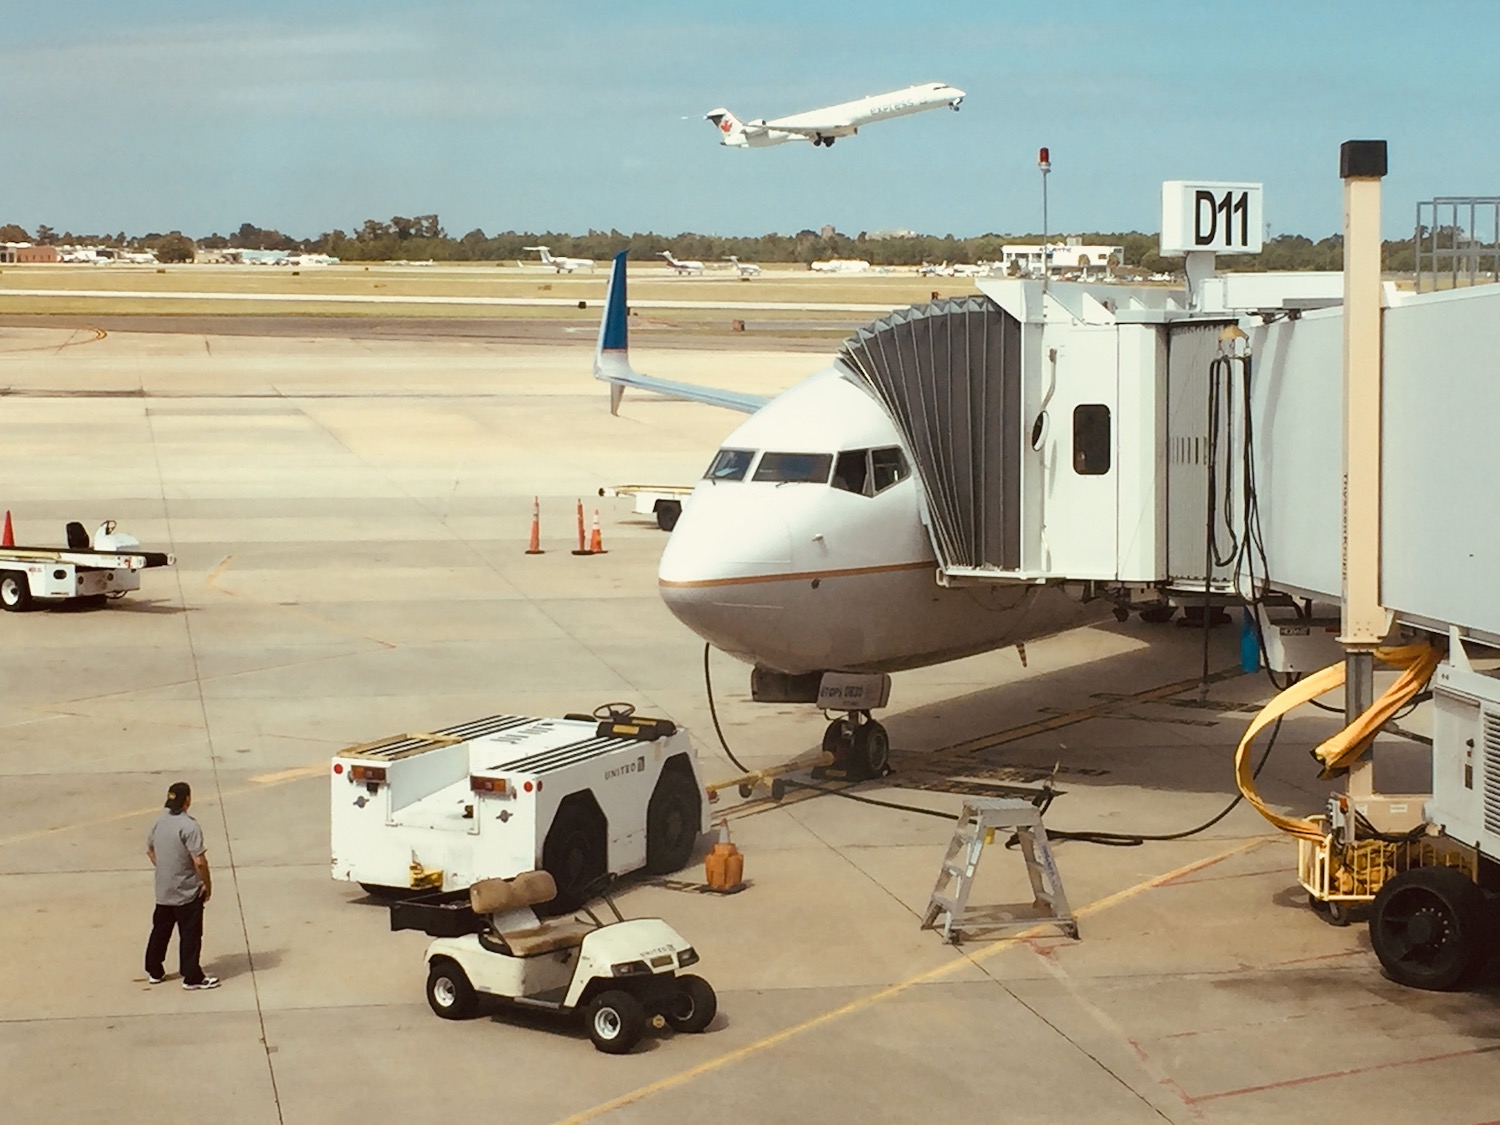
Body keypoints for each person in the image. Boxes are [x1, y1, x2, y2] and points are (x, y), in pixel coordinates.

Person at [144, 781, 219, 990]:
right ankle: (191, 976)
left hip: (164, 889)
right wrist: (206, 883)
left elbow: (150, 850)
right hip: (186, 891)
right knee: (190, 934)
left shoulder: (159, 822)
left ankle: (154, 970)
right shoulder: (190, 826)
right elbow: (199, 861)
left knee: (160, 931)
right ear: (188, 800)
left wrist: (166, 870)